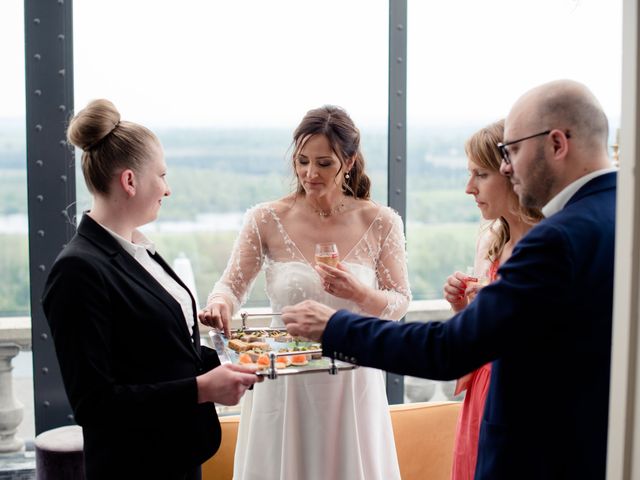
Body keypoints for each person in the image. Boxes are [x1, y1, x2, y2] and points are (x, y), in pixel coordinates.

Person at [282, 80, 617, 479]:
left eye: (511, 152)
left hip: (543, 457)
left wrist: (334, 326)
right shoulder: (621, 213)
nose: (507, 168)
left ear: (557, 144)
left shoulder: (556, 239)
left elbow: (449, 350)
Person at [42, 99, 261, 480]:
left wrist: (235, 359)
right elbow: (94, 404)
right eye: (161, 175)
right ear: (129, 181)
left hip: (176, 452)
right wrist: (201, 389)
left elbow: (150, 350)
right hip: (135, 464)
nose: (168, 189)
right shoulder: (77, 270)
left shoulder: (139, 249)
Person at [198, 105, 411, 480]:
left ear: (348, 161)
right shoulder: (266, 219)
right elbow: (231, 284)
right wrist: (219, 303)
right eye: (302, 161)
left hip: (351, 383)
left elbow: (399, 303)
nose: (310, 174)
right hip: (284, 384)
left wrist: (360, 293)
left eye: (324, 163)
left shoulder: (380, 221)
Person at [442, 119, 542, 480]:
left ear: (511, 172)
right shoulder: (489, 240)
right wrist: (464, 311)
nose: (469, 188)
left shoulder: (552, 240)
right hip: (481, 395)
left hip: (526, 396)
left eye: (480, 175)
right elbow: (478, 339)